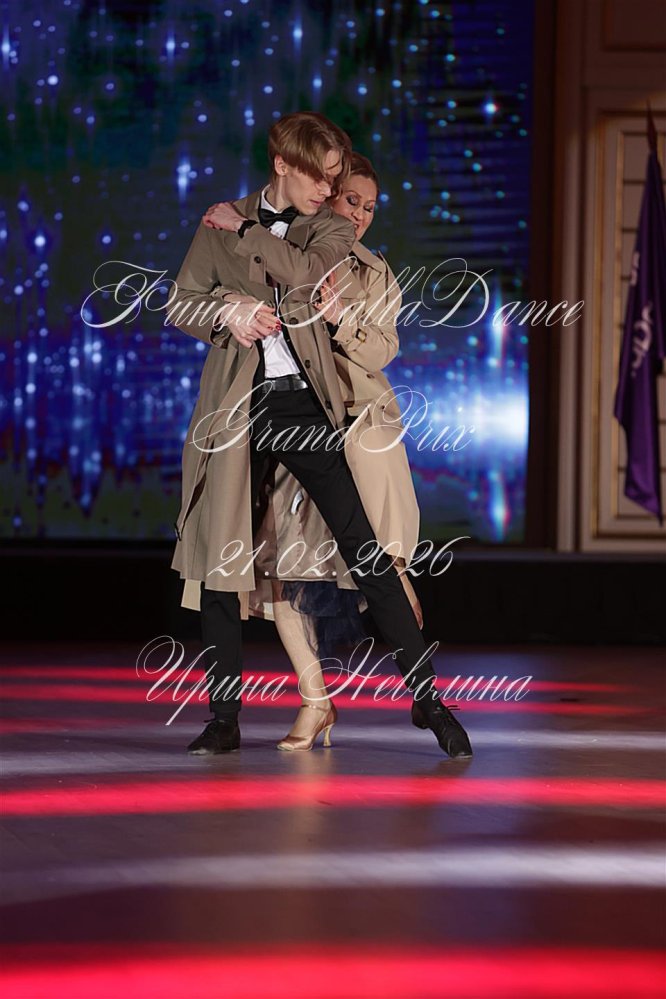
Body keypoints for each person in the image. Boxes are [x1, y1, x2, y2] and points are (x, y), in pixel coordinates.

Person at [170, 111, 473, 759]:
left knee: (366, 553)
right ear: (282, 164)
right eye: (320, 176)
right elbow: (182, 300)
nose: (328, 189)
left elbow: (307, 276)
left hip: (303, 406)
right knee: (223, 562)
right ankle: (224, 718)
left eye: (336, 178)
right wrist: (226, 309)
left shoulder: (325, 228)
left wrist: (247, 231)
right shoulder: (220, 220)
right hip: (236, 408)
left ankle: (429, 700)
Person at [199, 152, 425, 751]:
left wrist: (340, 316)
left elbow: (380, 350)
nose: (360, 215)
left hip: (361, 427)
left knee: (384, 566)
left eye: (370, 206)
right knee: (284, 566)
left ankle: (425, 696)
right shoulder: (284, 251)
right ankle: (315, 700)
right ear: (324, 196)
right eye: (350, 199)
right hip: (296, 420)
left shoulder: (374, 270)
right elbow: (210, 299)